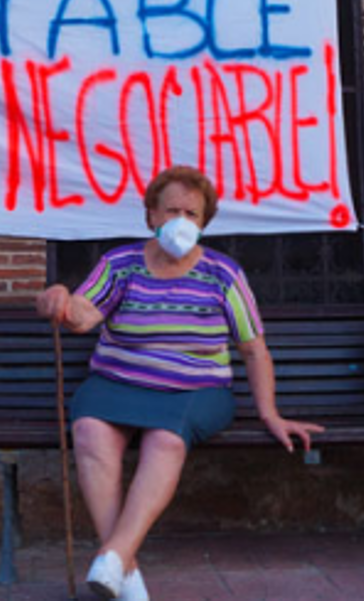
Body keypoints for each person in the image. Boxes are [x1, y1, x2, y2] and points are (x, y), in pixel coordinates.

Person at [36, 165, 324, 601]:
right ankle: (123, 569)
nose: (181, 222)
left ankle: (113, 557)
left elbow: (253, 349)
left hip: (196, 390)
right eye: (172, 211)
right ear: (151, 215)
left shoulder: (223, 274)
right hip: (118, 380)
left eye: (192, 214)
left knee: (167, 440)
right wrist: (56, 300)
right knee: (89, 429)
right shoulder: (120, 264)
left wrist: (270, 413)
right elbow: (83, 315)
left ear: (204, 222)